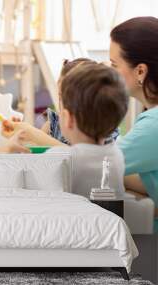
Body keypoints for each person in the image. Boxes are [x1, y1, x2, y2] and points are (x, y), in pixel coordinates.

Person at [7, 63, 129, 198]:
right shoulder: (116, 156)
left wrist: (6, 150)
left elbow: (20, 185)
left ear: (68, 118)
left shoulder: (59, 157)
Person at [110, 16, 158, 231]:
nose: (110, 72)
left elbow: (89, 164)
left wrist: (35, 137)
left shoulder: (153, 126)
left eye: (114, 65)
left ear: (140, 71)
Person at [41, 58, 119, 145]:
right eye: (60, 96)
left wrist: (36, 135)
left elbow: (82, 155)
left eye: (69, 97)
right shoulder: (53, 124)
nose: (63, 104)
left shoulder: (104, 131)